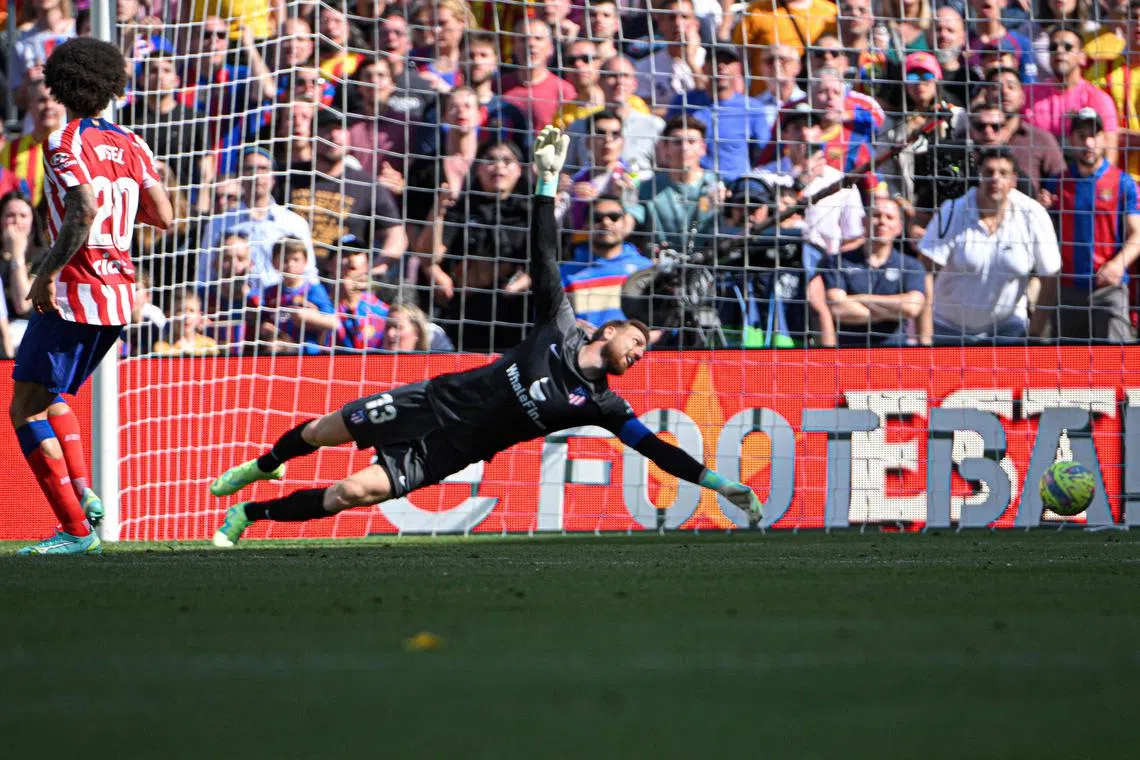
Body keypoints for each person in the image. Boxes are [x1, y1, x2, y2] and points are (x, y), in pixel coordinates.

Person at [208, 126, 762, 547]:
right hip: (430, 401)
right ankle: (263, 465)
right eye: (636, 343)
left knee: (350, 493)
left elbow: (658, 451)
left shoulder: (603, 404)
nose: (640, 353)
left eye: (643, 351)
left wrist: (718, 484)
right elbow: (543, 254)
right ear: (610, 330)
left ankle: (250, 516)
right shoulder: (559, 328)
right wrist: (546, 182)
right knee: (322, 431)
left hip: (449, 451)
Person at [11, 38, 173, 555]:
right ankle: (85, 494)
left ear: (60, 86)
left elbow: (81, 211)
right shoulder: (132, 142)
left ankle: (77, 531)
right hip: (119, 292)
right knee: (47, 391)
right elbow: (165, 218)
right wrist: (122, 220)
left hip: (77, 291)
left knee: (26, 408)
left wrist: (45, 273)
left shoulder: (63, 142)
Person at [917, 148, 1060, 345]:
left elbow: (1050, 276)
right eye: (989, 172)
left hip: (1007, 328)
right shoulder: (952, 211)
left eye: (1003, 173)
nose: (995, 179)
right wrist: (924, 336)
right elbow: (925, 272)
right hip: (947, 327)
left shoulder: (1032, 215)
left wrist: (1035, 336)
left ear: (1014, 180)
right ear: (979, 176)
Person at [1050, 108, 1140, 342]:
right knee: (1067, 368)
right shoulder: (1059, 183)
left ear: (1103, 138)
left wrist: (1118, 265)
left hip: (1108, 288)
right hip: (1068, 289)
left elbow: (1138, 234)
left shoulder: (1122, 181)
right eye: (1081, 136)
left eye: (1094, 134)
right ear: (1072, 140)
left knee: (1117, 364)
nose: (1088, 142)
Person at [821, 197, 928, 347]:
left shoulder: (911, 265)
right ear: (864, 222)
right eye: (876, 215)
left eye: (889, 217)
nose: (882, 221)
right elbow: (837, 308)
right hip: (848, 354)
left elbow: (911, 307)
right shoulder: (838, 261)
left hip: (894, 355)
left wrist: (858, 299)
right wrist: (894, 309)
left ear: (899, 227)